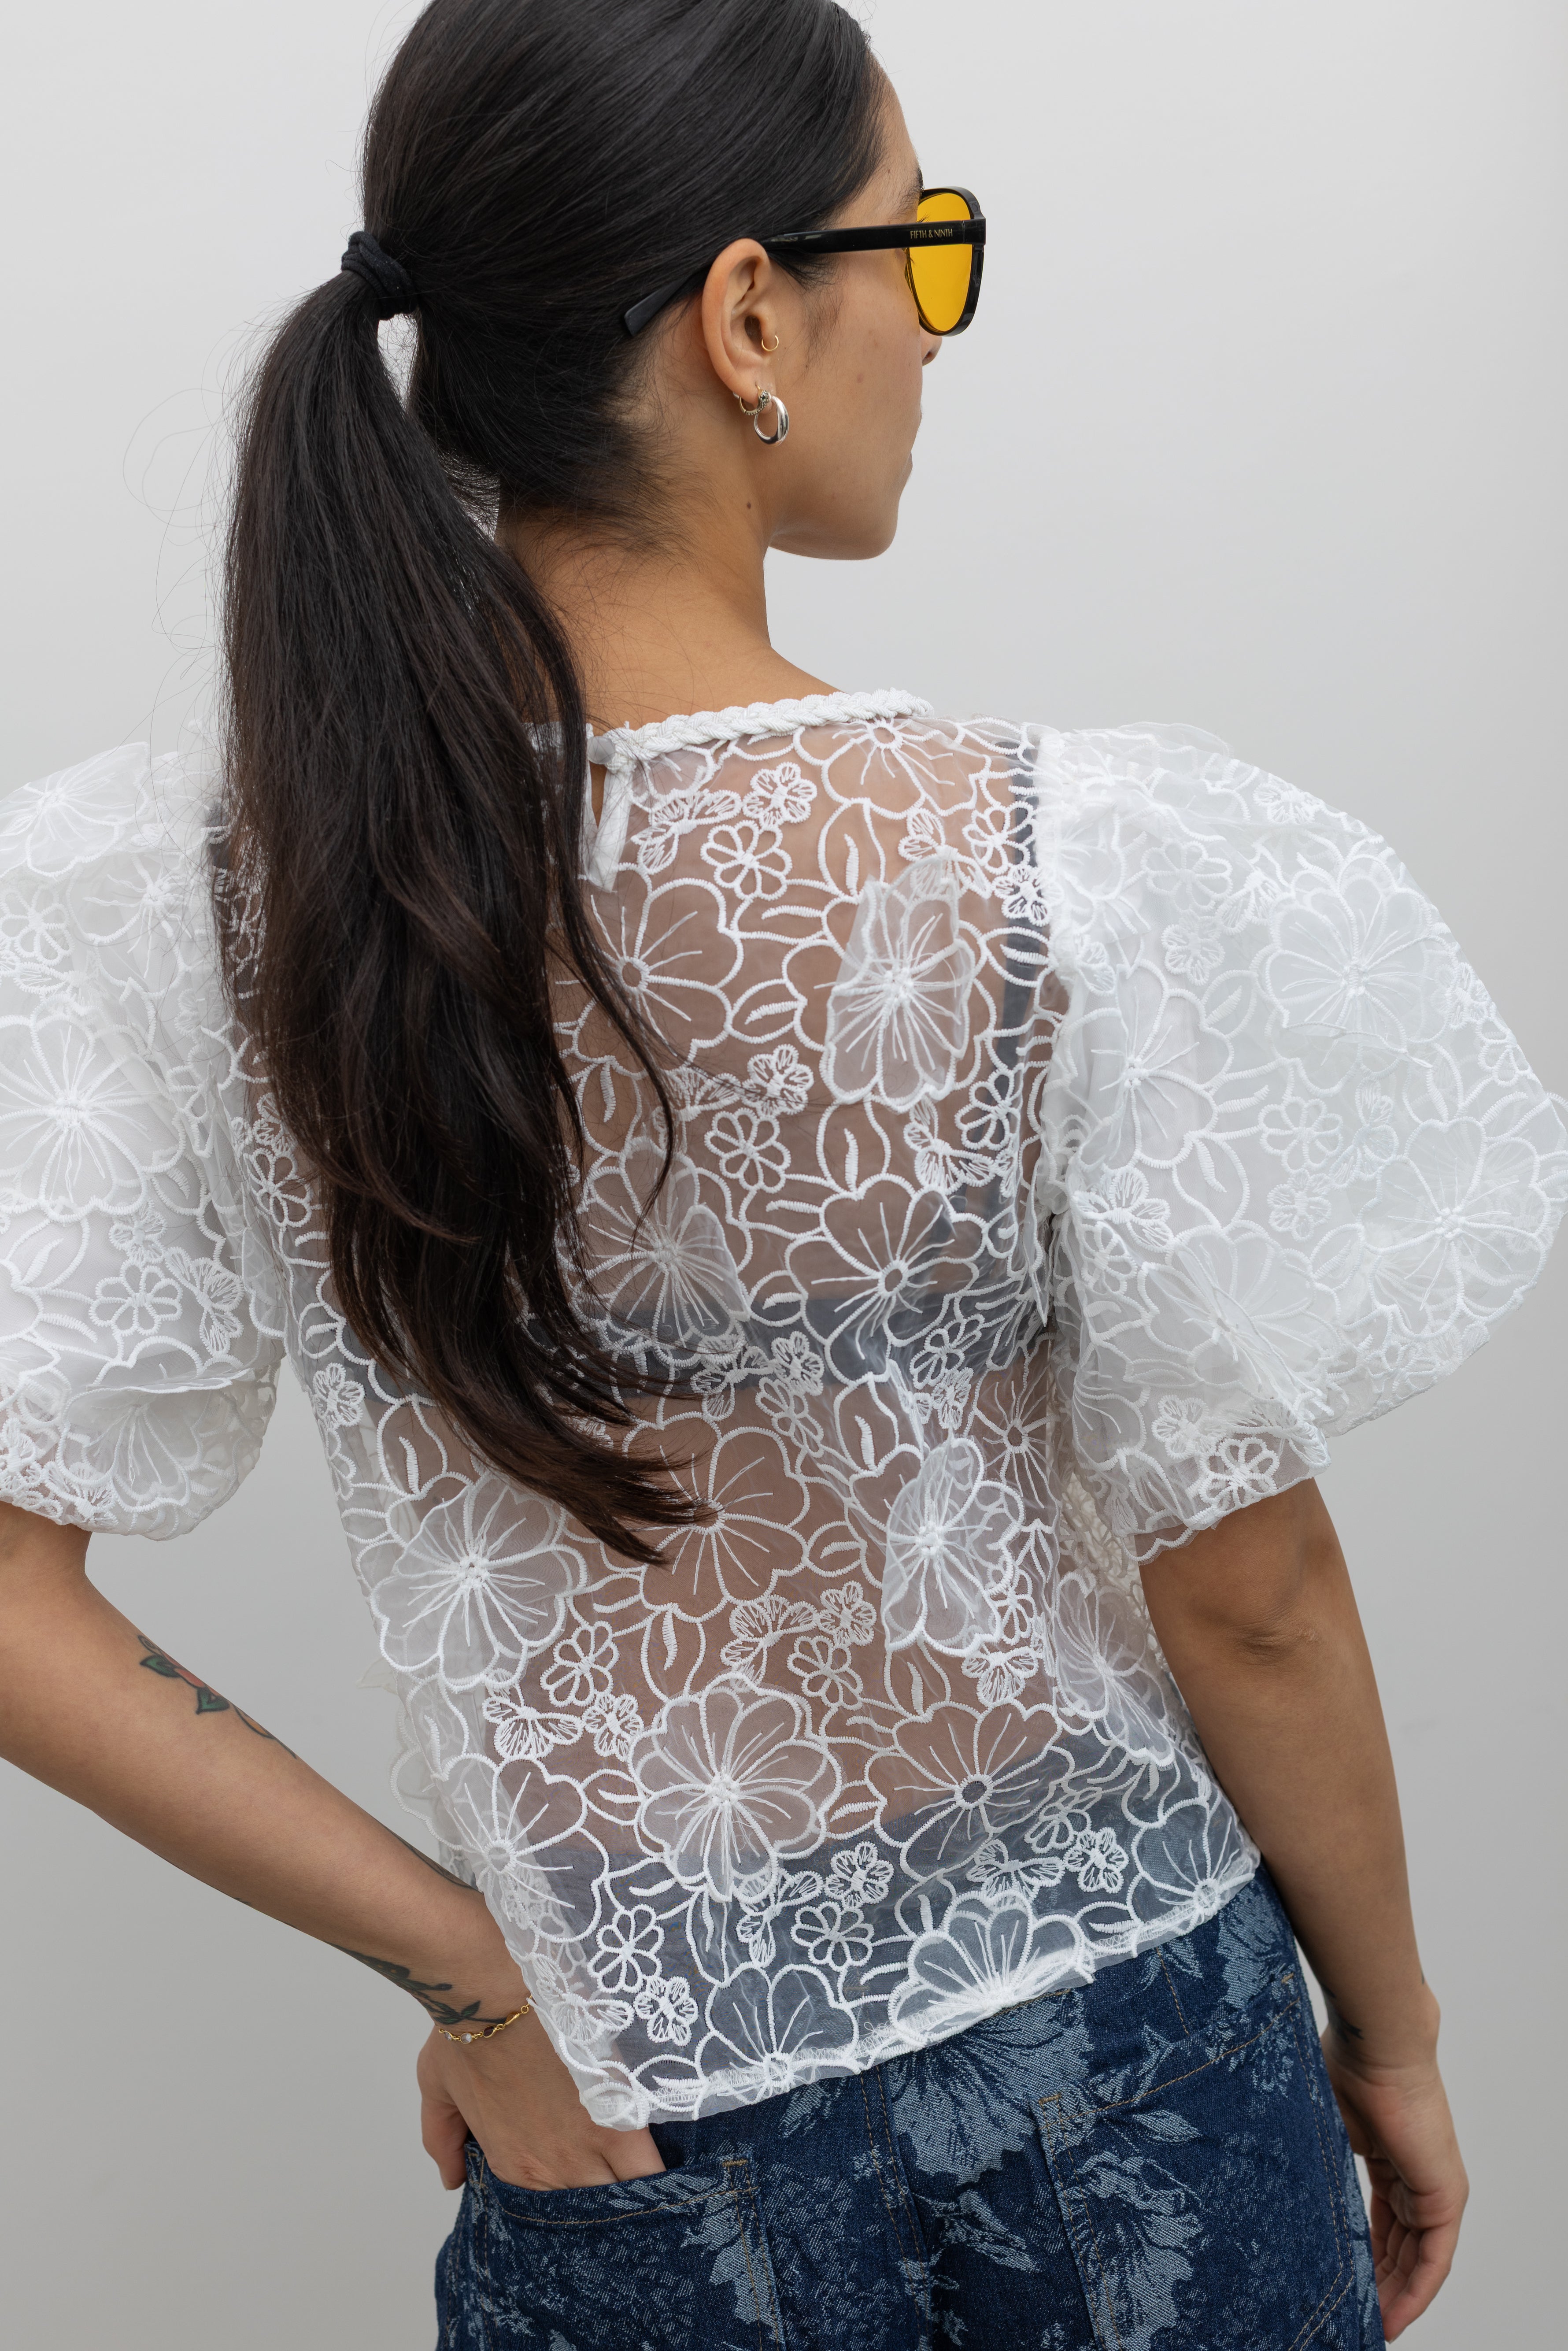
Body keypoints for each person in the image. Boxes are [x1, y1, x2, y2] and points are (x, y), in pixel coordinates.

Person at [1, 1, 1561, 2343]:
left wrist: (473, 1981)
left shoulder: (206, 896)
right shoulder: (1064, 870)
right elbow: (1245, 1593)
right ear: (746, 313)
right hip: (1120, 2064)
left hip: (626, 2107)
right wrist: (1402, 2040)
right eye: (914, 251)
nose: (928, 333)